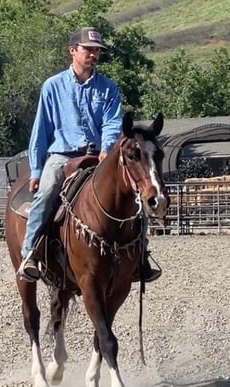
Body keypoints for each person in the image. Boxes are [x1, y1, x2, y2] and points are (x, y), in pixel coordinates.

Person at [18, 27, 162, 284]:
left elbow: (111, 122)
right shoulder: (52, 87)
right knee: (47, 192)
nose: (94, 54)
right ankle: (30, 253)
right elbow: (41, 130)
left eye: (97, 50)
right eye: (89, 49)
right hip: (62, 155)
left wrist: (107, 147)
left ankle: (141, 256)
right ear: (73, 51)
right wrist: (37, 170)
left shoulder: (108, 88)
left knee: (133, 193)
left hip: (100, 155)